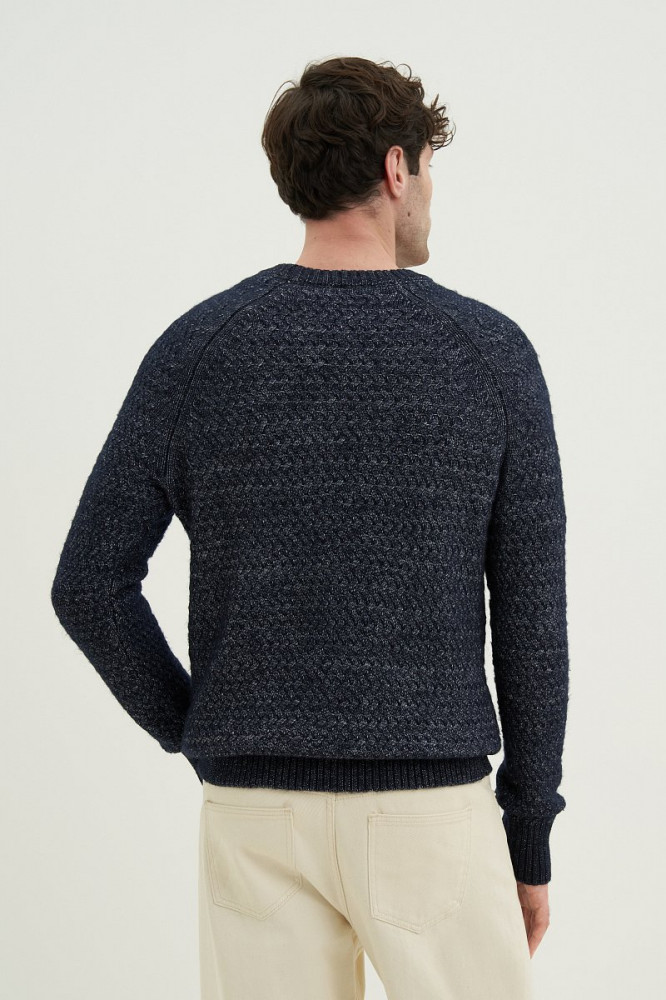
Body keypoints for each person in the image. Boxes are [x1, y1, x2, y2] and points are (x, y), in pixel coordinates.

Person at [51, 56, 570, 1000]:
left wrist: (201, 725)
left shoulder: (200, 348)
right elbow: (533, 622)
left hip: (256, 814)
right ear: (397, 168)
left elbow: (88, 583)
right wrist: (528, 834)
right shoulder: (488, 354)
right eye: (427, 169)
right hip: (430, 816)